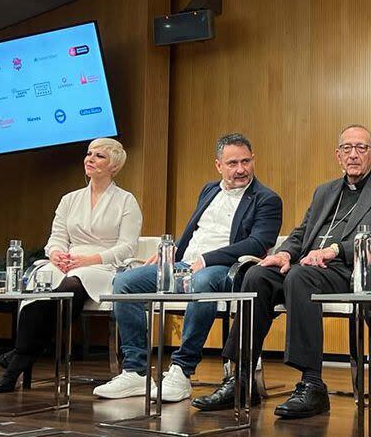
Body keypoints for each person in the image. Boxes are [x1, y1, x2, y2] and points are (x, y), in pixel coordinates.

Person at [192, 124, 371, 418]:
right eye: (347, 148)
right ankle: (241, 380)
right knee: (257, 275)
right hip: (305, 267)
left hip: (349, 270)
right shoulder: (325, 191)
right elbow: (301, 232)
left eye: (361, 148)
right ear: (338, 155)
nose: (353, 155)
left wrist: (334, 250)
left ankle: (312, 384)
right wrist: (284, 253)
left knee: (299, 277)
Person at [93, 133, 282, 402]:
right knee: (126, 281)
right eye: (232, 163)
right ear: (218, 165)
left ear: (253, 160)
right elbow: (193, 231)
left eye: (245, 161)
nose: (240, 169)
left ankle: (182, 370)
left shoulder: (266, 199)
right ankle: (135, 371)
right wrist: (168, 255)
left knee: (202, 281)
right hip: (185, 264)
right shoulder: (209, 189)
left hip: (227, 269)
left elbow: (257, 243)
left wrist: (206, 258)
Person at [0, 138, 142, 393]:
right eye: (89, 154)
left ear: (114, 166)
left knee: (74, 283)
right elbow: (57, 238)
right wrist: (55, 254)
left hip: (102, 266)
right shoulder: (69, 199)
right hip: (66, 261)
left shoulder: (126, 201)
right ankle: (24, 354)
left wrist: (91, 259)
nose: (90, 159)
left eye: (99, 156)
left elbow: (127, 247)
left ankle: (17, 361)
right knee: (39, 287)